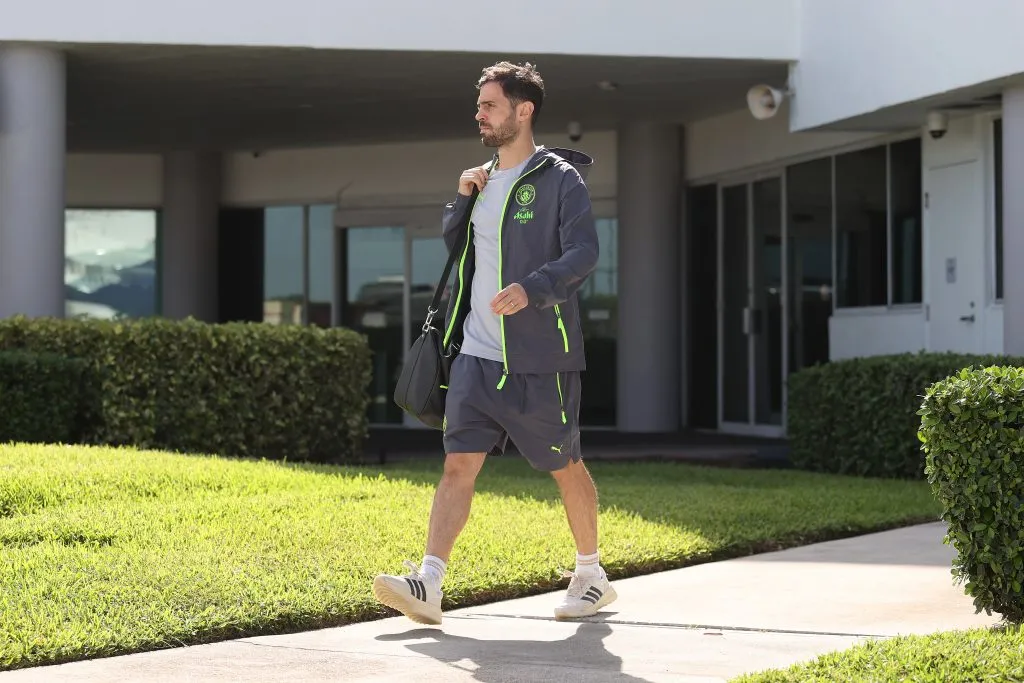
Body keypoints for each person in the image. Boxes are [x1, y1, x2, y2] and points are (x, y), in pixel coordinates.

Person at [372, 61, 615, 625]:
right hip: (476, 353)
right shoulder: (481, 177)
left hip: (541, 355)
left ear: (522, 110)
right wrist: (461, 199)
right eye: (479, 104)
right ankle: (429, 581)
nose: (479, 114)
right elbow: (459, 250)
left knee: (565, 463)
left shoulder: (560, 179)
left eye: (489, 105)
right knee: (458, 464)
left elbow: (583, 253)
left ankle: (591, 575)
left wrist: (532, 290)